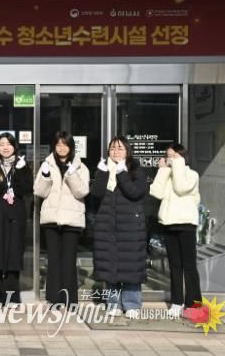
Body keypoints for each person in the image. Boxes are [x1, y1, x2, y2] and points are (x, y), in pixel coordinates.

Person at [91, 136, 147, 319]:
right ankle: (113, 303)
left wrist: (122, 173)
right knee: (110, 265)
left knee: (131, 265)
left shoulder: (135, 169)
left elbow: (135, 192)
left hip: (131, 226)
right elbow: (96, 193)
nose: (116, 152)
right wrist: (102, 173)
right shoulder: (104, 168)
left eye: (120, 148)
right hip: (107, 224)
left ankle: (132, 304)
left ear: (127, 151)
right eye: (113, 148)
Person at [33, 131, 90, 308]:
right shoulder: (47, 164)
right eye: (58, 144)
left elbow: (82, 192)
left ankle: (70, 299)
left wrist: (72, 174)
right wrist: (45, 176)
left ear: (71, 146)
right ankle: (54, 299)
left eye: (65, 144)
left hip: (71, 220)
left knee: (69, 261)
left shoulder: (81, 167)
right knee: (54, 260)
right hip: (51, 219)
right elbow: (39, 191)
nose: (61, 148)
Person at [149, 143, 202, 318]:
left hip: (186, 224)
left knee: (189, 266)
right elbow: (156, 192)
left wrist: (177, 165)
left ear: (182, 157)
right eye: (168, 155)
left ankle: (194, 304)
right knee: (174, 265)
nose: (169, 158)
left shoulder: (192, 174)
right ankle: (177, 301)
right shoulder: (168, 174)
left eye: (173, 156)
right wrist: (162, 171)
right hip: (169, 223)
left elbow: (181, 188)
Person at [0, 132, 33, 308]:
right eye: (2, 144)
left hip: (15, 216)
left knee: (13, 256)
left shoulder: (22, 166)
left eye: (9, 144)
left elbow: (26, 189)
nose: (5, 147)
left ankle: (12, 297)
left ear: (14, 147)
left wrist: (21, 170)